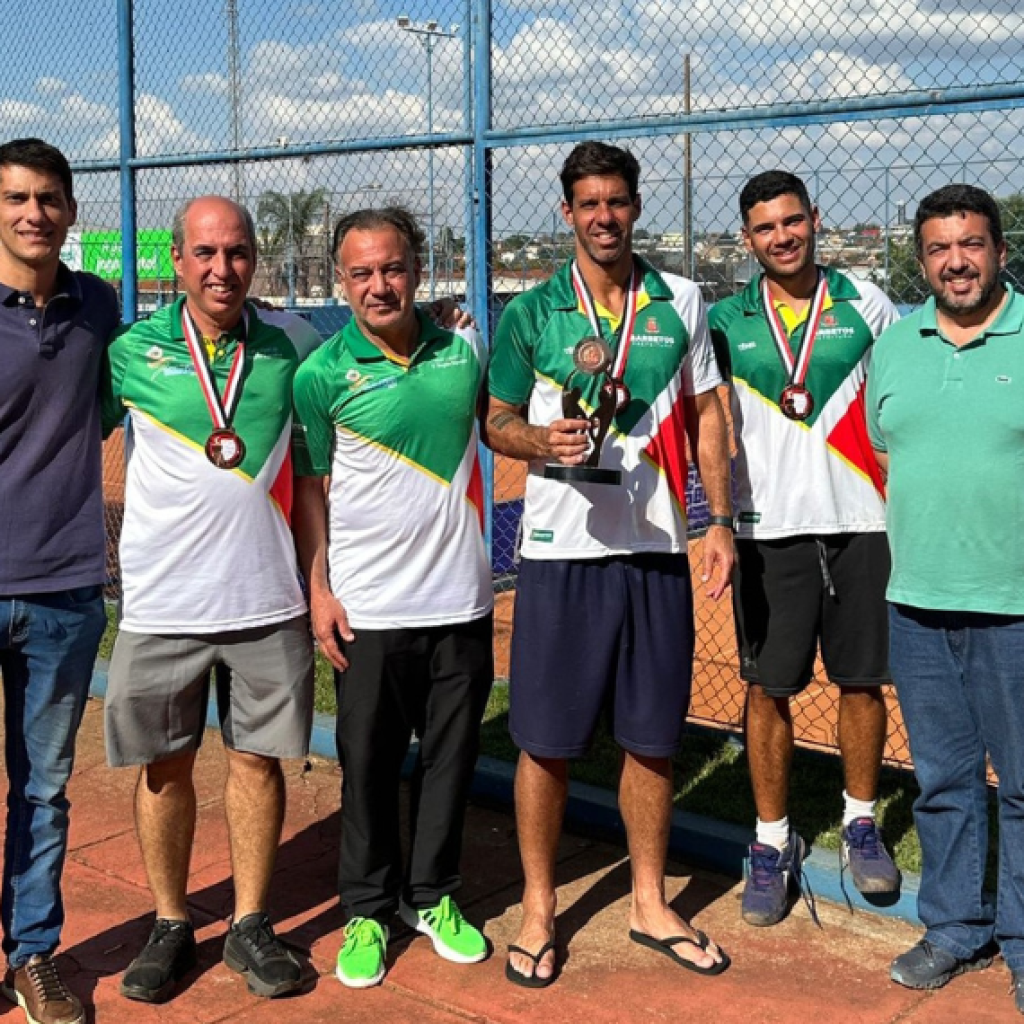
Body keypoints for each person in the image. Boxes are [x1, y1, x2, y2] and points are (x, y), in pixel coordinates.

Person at [485, 140, 734, 987]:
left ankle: (649, 901)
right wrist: (536, 441)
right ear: (567, 213)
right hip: (562, 552)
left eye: (616, 202)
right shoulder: (534, 312)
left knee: (653, 741)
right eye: (587, 203)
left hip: (658, 545)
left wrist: (722, 520)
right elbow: (495, 420)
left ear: (635, 205)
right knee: (547, 744)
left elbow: (706, 417)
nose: (603, 217)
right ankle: (540, 908)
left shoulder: (682, 301)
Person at [101, 195, 322, 1004]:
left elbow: (322, 476)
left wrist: (322, 579)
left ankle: (251, 921)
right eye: (204, 253)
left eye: (236, 253)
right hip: (162, 604)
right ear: (176, 260)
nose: (221, 269)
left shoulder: (292, 346)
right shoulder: (130, 353)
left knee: (258, 764)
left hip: (267, 600)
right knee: (165, 770)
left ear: (254, 259)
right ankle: (169, 921)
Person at [292, 207, 493, 989]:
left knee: (451, 760)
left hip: (460, 602)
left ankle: (434, 896)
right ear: (342, 282)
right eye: (362, 272)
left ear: (417, 267)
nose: (381, 285)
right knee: (366, 765)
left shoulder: (462, 351)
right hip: (368, 610)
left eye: (394, 267)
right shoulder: (321, 374)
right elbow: (309, 490)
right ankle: (367, 910)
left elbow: (502, 419)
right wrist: (320, 589)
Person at [708, 170, 901, 926]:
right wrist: (720, 516)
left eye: (792, 222)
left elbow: (898, 401)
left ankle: (860, 820)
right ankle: (770, 840)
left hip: (862, 522)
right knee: (768, 689)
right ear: (747, 237)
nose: (781, 237)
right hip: (768, 532)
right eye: (765, 228)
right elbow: (708, 418)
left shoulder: (866, 303)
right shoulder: (724, 319)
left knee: (862, 682)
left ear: (815, 220)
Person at [868, 183, 1024, 1015]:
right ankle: (958, 927)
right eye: (937, 248)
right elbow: (888, 449)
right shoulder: (897, 346)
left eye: (970, 244)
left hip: (1018, 606)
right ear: (920, 258)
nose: (956, 261)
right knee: (943, 779)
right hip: (918, 603)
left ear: (999, 249)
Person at [0, 138, 120, 1024]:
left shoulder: (100, 306)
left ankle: (33, 956)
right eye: (14, 198)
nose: (33, 213)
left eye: (48, 198)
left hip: (65, 588)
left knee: (43, 790)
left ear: (72, 212)